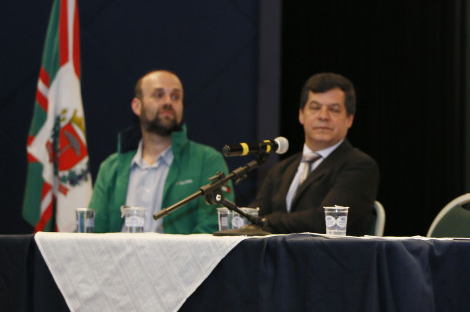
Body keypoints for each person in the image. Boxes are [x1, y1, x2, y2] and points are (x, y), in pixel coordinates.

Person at [89, 70, 233, 233]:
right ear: (137, 106)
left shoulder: (208, 161)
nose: (168, 102)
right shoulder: (110, 167)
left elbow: (213, 227)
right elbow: (93, 233)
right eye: (158, 95)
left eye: (175, 97)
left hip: (184, 259)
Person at [249, 72, 379, 235]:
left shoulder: (360, 166)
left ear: (349, 119)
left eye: (334, 109)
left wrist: (268, 221)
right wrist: (259, 220)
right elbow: (252, 218)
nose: (323, 116)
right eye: (315, 107)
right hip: (275, 258)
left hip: (331, 258)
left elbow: (323, 221)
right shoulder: (280, 170)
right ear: (301, 114)